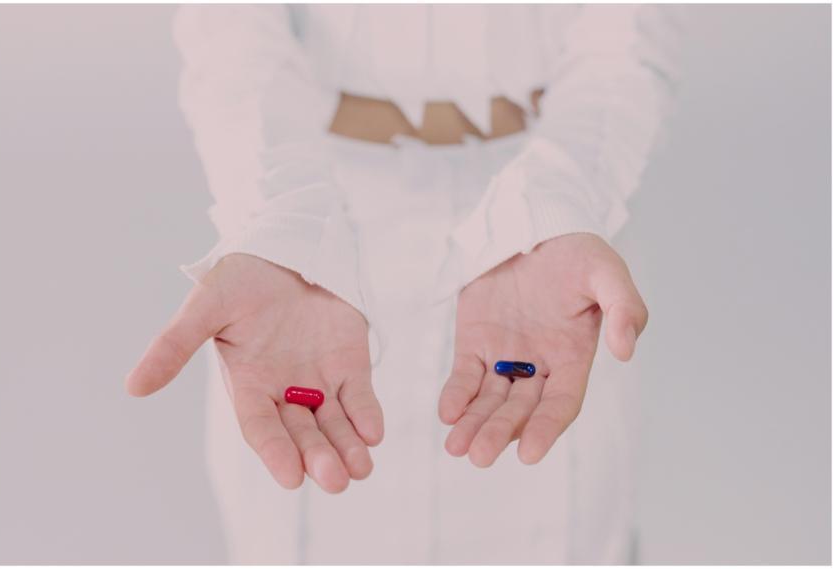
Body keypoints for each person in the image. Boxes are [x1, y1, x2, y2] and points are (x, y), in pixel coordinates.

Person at [125, 4, 682, 564]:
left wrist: (557, 204)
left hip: (555, 221)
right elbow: (230, 35)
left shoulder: (556, 234)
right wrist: (279, 224)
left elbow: (626, 38)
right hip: (309, 213)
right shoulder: (289, 243)